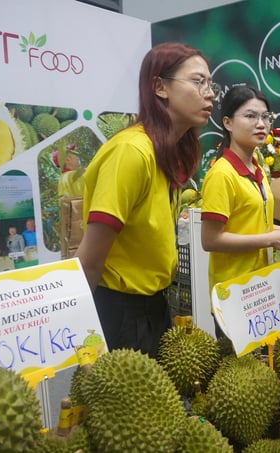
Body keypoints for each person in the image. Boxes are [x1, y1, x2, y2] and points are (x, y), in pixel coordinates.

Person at [75, 42, 219, 358]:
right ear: (159, 87)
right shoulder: (131, 152)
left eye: (211, 84)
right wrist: (85, 339)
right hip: (120, 311)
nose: (210, 93)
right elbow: (89, 259)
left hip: (153, 305)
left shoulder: (167, 153)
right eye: (198, 82)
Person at [200, 85, 280, 334]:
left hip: (261, 289)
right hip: (234, 293)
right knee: (239, 371)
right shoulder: (222, 175)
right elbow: (210, 239)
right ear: (228, 122)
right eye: (250, 116)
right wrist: (270, 238)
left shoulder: (258, 168)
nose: (261, 124)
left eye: (265, 117)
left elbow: (249, 221)